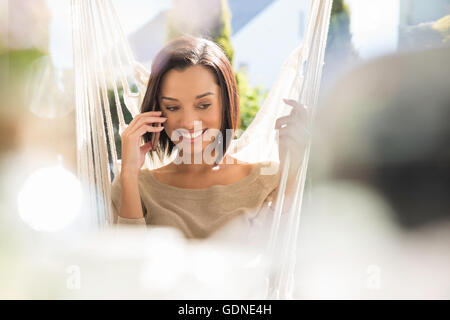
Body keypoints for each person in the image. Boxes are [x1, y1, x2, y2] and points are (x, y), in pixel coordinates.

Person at [110, 36, 309, 239]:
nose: (188, 122)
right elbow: (126, 264)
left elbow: (278, 253)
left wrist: (290, 177)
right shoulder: (135, 185)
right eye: (172, 107)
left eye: (204, 105)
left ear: (226, 102)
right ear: (157, 111)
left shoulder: (271, 180)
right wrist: (128, 174)